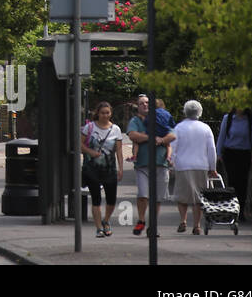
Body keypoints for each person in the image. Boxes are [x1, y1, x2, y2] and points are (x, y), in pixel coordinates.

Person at [127, 93, 175, 235]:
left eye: (147, 102)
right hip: (143, 165)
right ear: (138, 107)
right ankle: (142, 220)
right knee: (143, 194)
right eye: (142, 103)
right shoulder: (136, 120)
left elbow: (172, 135)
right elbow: (132, 135)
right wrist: (151, 137)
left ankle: (152, 225)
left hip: (161, 164)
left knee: (158, 198)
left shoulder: (161, 118)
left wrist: (161, 140)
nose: (145, 105)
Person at [172, 99, 218, 234]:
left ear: (185, 112)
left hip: (183, 165)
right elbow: (211, 149)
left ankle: (183, 221)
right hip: (201, 165)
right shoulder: (205, 128)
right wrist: (212, 167)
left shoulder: (179, 128)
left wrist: (171, 163)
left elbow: (173, 147)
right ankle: (197, 225)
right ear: (200, 112)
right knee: (198, 197)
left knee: (182, 195)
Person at [81, 101, 124, 238]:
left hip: (109, 169)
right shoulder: (90, 127)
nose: (105, 115)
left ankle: (106, 220)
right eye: (102, 113)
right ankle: (99, 228)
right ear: (97, 114)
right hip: (92, 168)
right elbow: (79, 143)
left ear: (111, 113)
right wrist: (90, 152)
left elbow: (119, 150)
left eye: (108, 113)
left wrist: (120, 168)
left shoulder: (116, 129)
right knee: (96, 199)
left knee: (111, 200)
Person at [216, 108, 252, 222]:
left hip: (244, 153)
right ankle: (232, 211)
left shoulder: (250, 120)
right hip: (230, 153)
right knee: (232, 182)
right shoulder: (227, 119)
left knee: (243, 183)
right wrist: (218, 153)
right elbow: (222, 136)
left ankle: (241, 212)